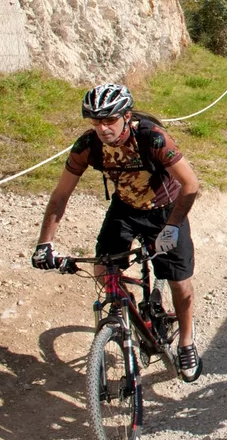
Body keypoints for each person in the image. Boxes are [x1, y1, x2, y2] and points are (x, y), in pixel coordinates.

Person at [32, 83, 203, 382]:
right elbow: (60, 195)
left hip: (165, 209)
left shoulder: (153, 138)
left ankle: (187, 341)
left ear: (126, 116)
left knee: (180, 283)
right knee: (102, 268)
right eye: (96, 121)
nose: (103, 128)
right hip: (124, 208)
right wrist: (45, 242)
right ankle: (128, 317)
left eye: (109, 120)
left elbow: (191, 185)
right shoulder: (88, 145)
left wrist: (172, 227)